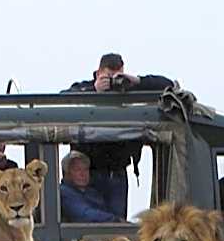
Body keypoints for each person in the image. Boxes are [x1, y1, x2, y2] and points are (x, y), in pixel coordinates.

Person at [65, 53, 175, 219]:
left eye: (118, 76)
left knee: (118, 224)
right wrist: (94, 90)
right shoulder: (84, 89)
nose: (114, 82)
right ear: (98, 73)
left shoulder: (127, 89)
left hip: (118, 172)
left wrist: (137, 81)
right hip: (89, 174)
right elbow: (64, 98)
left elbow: (168, 86)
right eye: (109, 77)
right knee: (91, 220)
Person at [60, 150, 123, 223]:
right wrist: (116, 220)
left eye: (86, 169)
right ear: (67, 174)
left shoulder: (94, 193)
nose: (83, 174)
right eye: (77, 170)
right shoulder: (64, 192)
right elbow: (85, 214)